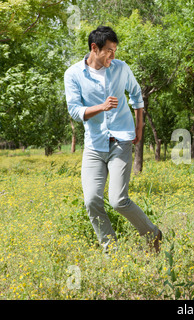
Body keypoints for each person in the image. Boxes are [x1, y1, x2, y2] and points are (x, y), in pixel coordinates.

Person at [64, 26, 162, 253]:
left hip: (121, 140)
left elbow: (136, 95)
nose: (113, 56)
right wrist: (102, 107)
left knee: (118, 200)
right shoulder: (73, 74)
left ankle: (153, 234)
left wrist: (139, 127)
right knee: (91, 201)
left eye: (115, 51)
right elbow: (75, 111)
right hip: (94, 144)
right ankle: (112, 251)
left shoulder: (121, 68)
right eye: (109, 51)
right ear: (94, 48)